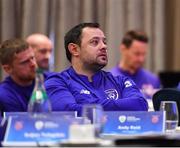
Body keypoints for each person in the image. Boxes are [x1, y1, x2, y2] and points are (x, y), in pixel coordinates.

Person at [45, 23, 148, 115]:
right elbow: (68, 111)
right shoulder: (56, 82)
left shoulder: (121, 81)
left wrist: (84, 103)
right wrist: (121, 106)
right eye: (95, 42)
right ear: (74, 49)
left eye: (104, 42)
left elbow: (140, 105)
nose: (104, 46)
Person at [110, 30, 161, 99]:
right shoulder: (109, 80)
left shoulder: (153, 80)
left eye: (143, 54)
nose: (141, 59)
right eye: (137, 54)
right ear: (123, 49)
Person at [0, 38, 37, 112]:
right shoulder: (4, 94)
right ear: (8, 69)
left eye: (32, 58)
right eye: (25, 62)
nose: (33, 64)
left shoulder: (50, 80)